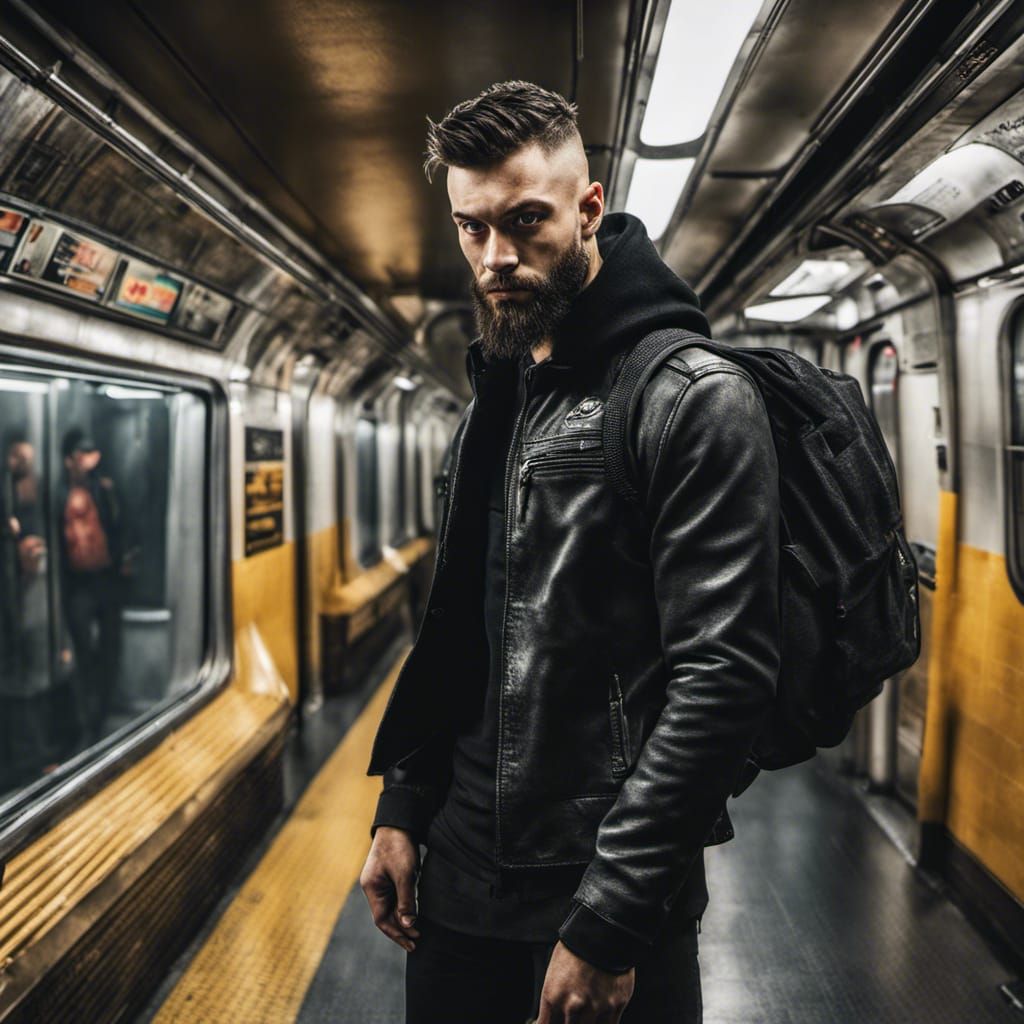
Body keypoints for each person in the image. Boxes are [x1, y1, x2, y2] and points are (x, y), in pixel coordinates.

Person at [360, 81, 780, 1024]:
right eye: (471, 228)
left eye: (525, 221)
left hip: (599, 893)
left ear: (589, 210)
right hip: (457, 885)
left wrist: (613, 920)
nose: (495, 257)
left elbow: (724, 678)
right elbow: (460, 624)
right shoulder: (502, 390)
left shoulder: (689, 398)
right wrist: (404, 805)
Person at [59, 427, 126, 746]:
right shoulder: (59, 494)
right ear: (69, 459)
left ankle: (102, 718)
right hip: (77, 583)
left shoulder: (103, 489)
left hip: (105, 578)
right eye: (81, 455)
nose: (87, 461)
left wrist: (122, 559)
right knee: (82, 653)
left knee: (110, 648)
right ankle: (84, 723)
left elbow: (118, 525)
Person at [0, 430, 52, 790]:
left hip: (16, 600)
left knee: (19, 677)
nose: (21, 465)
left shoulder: (26, 494)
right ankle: (27, 759)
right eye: (17, 457)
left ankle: (29, 758)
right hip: (9, 601)